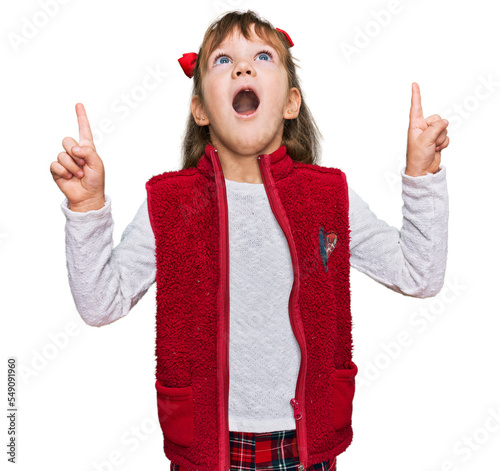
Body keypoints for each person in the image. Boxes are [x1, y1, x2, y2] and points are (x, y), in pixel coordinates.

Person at [49, 9, 450, 471]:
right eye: (223, 60)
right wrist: (86, 208)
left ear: (291, 102)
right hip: (206, 445)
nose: (243, 67)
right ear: (200, 108)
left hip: (305, 445)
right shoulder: (170, 202)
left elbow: (420, 274)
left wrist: (422, 176)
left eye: (263, 56)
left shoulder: (328, 196)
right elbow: (101, 303)